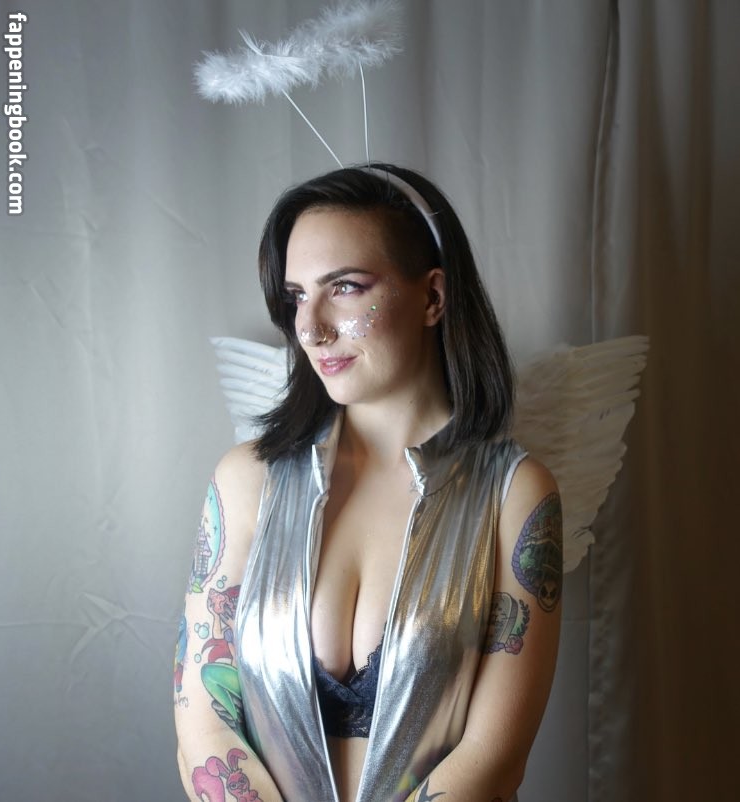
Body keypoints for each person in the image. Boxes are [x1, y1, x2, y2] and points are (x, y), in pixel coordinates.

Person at [174, 163, 562, 802]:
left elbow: (494, 759)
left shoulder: (514, 495)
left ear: (433, 297)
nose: (311, 327)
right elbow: (203, 727)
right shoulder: (246, 481)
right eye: (296, 296)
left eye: (346, 288)